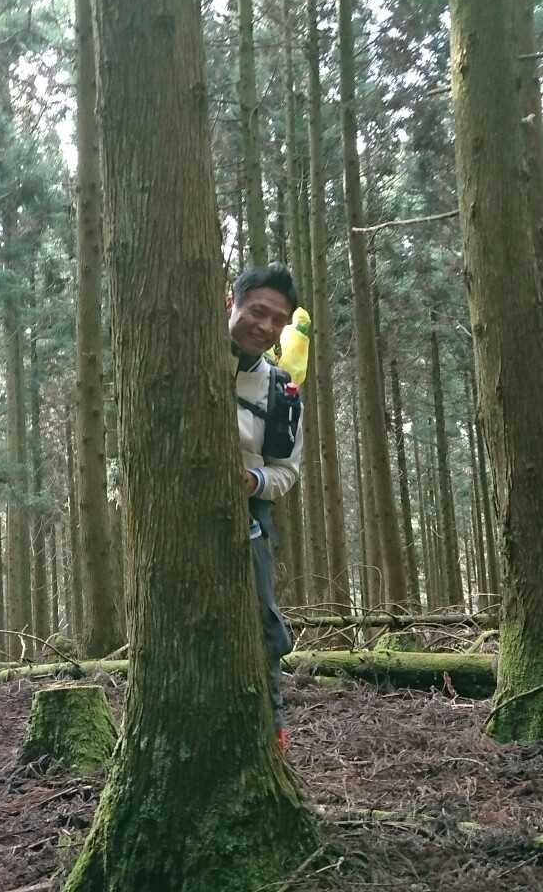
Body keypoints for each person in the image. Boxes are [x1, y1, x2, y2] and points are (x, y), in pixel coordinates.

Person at [228, 264, 303, 753]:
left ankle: (271, 734)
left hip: (248, 518)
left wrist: (252, 481)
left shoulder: (282, 391)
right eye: (257, 311)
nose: (266, 326)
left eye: (279, 320)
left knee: (262, 625)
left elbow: (286, 471)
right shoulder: (182, 359)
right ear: (231, 303)